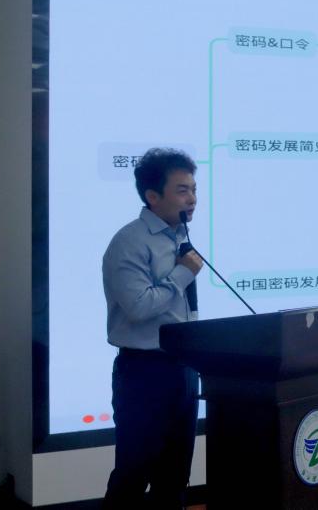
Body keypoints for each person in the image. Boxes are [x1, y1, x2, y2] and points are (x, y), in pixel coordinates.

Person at [102, 147, 203, 509]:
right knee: (133, 473)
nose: (192, 199)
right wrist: (183, 273)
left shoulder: (180, 237)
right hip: (144, 372)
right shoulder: (129, 241)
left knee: (175, 476)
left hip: (184, 369)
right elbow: (139, 307)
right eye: (182, 190)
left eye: (194, 189)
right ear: (153, 196)